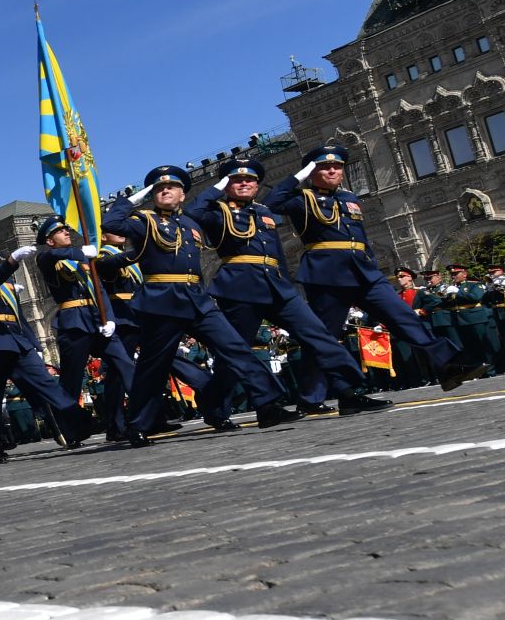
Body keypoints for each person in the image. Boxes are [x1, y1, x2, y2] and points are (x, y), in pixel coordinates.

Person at [263, 145, 482, 392]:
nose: (333, 170)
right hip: (328, 275)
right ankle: (315, 394)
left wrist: (373, 266)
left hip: (364, 271)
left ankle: (448, 365)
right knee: (325, 336)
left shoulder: (349, 199)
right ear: (312, 171)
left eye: (337, 167)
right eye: (324, 167)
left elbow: (361, 238)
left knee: (403, 316)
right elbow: (270, 203)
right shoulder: (301, 199)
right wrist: (299, 176)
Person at [183, 157, 390, 417]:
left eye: (249, 180)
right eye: (236, 180)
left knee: (317, 335)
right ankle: (221, 405)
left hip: (277, 287)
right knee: (236, 353)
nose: (244, 183)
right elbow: (190, 214)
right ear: (226, 185)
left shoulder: (263, 212)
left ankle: (348, 392)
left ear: (257, 185)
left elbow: (276, 252)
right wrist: (217, 187)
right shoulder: (215, 212)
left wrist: (285, 281)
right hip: (239, 290)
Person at [104, 165, 296, 443]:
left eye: (171, 187)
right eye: (158, 188)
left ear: (183, 194)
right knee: (153, 367)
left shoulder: (191, 223)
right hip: (162, 301)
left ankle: (267, 405)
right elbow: (111, 224)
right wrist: (133, 199)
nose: (165, 190)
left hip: (197, 298)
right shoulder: (143, 221)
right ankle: (137, 424)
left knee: (236, 348)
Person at [0, 232, 86, 464]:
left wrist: (34, 344)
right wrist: (11, 262)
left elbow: (19, 318)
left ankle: (77, 421)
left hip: (17, 341)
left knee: (46, 383)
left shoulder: (5, 282)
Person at [31, 217, 139, 443]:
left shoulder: (82, 260)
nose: (66, 233)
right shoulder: (47, 257)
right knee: (71, 379)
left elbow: (98, 289)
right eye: (60, 232)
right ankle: (70, 428)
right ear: (49, 241)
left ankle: (144, 416)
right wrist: (84, 254)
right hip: (74, 323)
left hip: (97, 319)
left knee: (125, 365)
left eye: (66, 229)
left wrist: (109, 318)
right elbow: (53, 256)